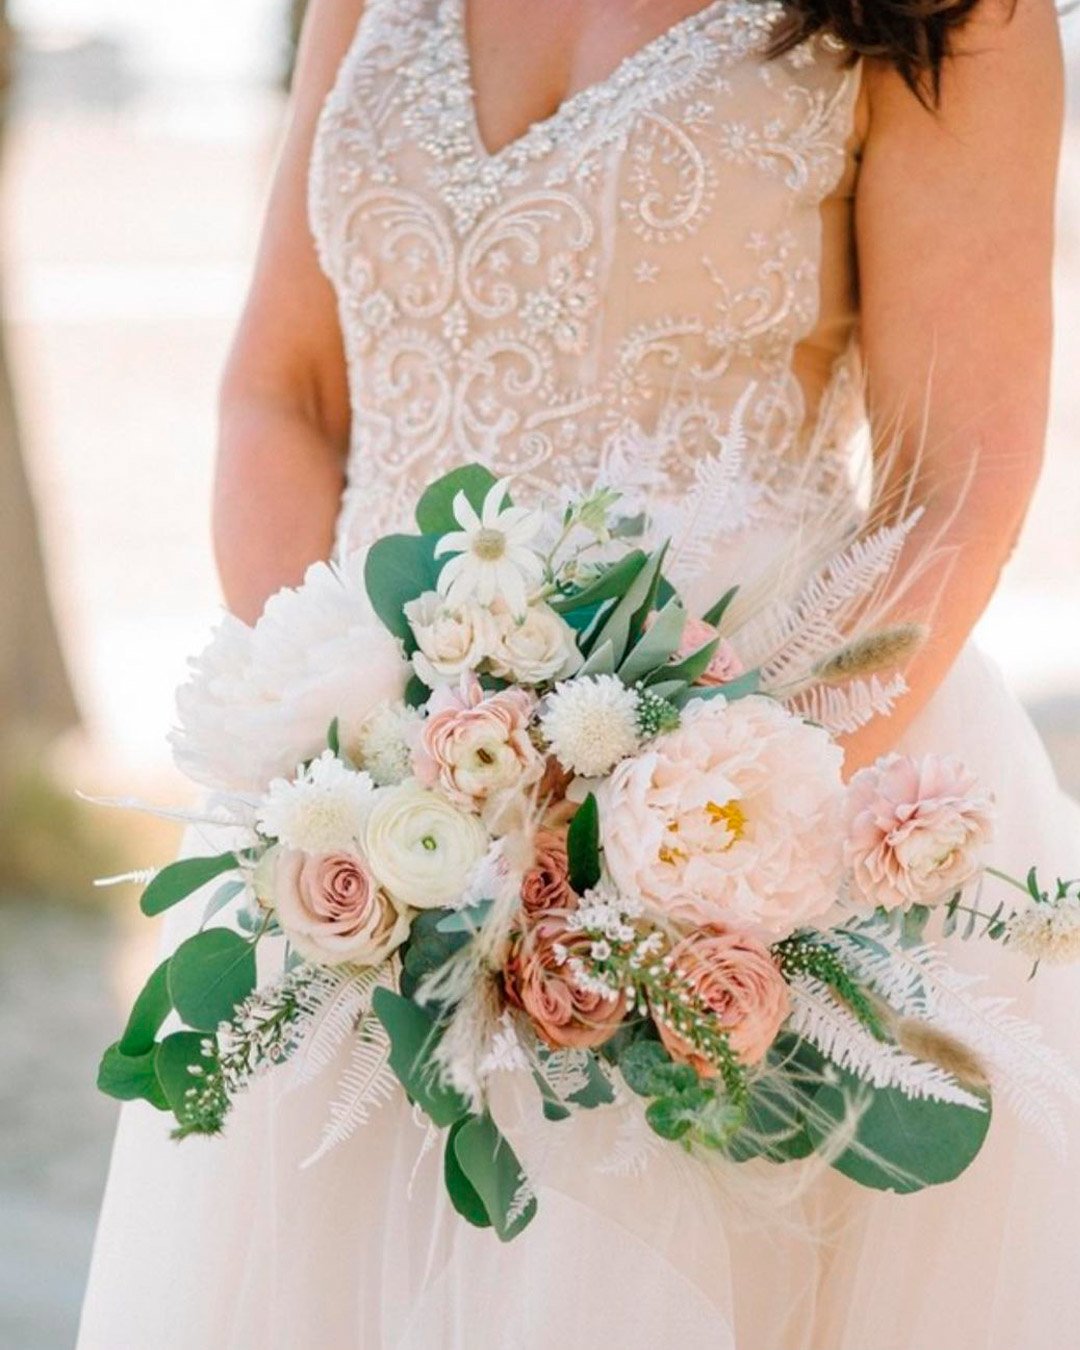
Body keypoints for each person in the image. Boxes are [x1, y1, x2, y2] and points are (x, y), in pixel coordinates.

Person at [79, 2, 1080, 1346]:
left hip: (741, 833)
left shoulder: (942, 15)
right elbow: (288, 392)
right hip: (369, 844)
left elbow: (952, 482)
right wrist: (332, 759)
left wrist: (671, 854)